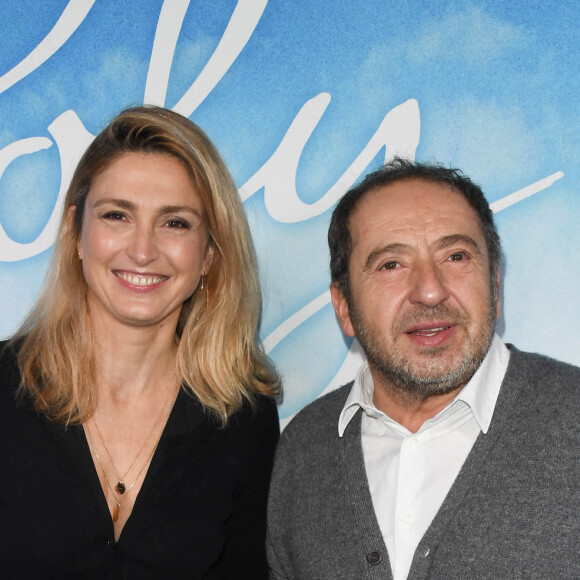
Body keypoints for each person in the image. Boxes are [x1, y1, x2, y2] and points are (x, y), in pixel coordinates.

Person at [0, 105, 280, 579]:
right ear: (76, 233)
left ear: (210, 252)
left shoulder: (243, 417)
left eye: (175, 223)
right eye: (116, 215)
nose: (144, 250)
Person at [266, 158, 580, 579]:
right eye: (391, 264)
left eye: (455, 256)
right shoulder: (302, 453)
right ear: (344, 307)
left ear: (495, 285)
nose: (430, 291)